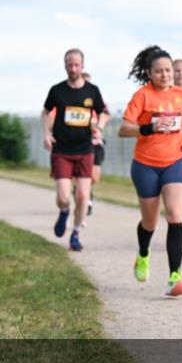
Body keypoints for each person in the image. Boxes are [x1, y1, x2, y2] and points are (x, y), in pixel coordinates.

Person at [118, 46, 182, 297]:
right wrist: (149, 128)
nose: (165, 75)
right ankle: (143, 254)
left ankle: (175, 276)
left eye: (168, 70)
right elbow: (124, 128)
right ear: (150, 74)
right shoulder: (142, 96)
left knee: (175, 215)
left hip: (176, 161)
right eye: (159, 71)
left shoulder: (181, 95)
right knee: (150, 221)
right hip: (146, 165)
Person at [42, 49, 107, 252]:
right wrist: (46, 133)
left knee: (82, 195)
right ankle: (64, 212)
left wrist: (99, 128)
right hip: (62, 149)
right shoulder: (57, 90)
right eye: (69, 65)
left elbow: (104, 113)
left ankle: (76, 233)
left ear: (83, 65)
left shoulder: (92, 91)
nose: (73, 68)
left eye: (77, 64)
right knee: (63, 197)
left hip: (85, 149)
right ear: (65, 66)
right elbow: (45, 112)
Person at [80, 73, 110, 216]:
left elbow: (106, 115)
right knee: (82, 175)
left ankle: (84, 192)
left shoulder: (97, 99)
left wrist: (98, 125)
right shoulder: (71, 101)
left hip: (96, 142)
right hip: (78, 143)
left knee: (93, 177)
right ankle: (86, 199)